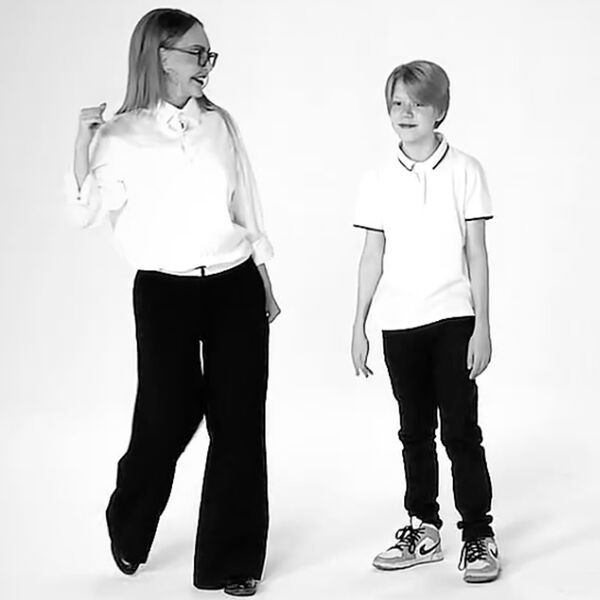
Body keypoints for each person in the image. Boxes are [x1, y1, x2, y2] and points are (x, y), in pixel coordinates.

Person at [67, 8, 280, 597]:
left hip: (235, 282)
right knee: (167, 415)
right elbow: (84, 213)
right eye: (196, 53)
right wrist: (82, 145)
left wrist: (264, 276)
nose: (206, 64)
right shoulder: (119, 136)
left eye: (209, 54)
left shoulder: (220, 124)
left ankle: (230, 563)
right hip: (164, 292)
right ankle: (130, 518)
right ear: (161, 56)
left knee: (239, 421)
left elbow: (245, 206)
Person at [351, 60, 501, 584]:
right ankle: (423, 528)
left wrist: (483, 325)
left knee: (460, 431)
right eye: (397, 103)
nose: (406, 112)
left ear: (440, 109)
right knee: (413, 431)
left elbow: (477, 253)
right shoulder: (376, 178)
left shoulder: (466, 170)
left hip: (453, 318)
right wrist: (358, 324)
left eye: (418, 103)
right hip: (399, 323)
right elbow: (372, 254)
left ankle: (478, 533)